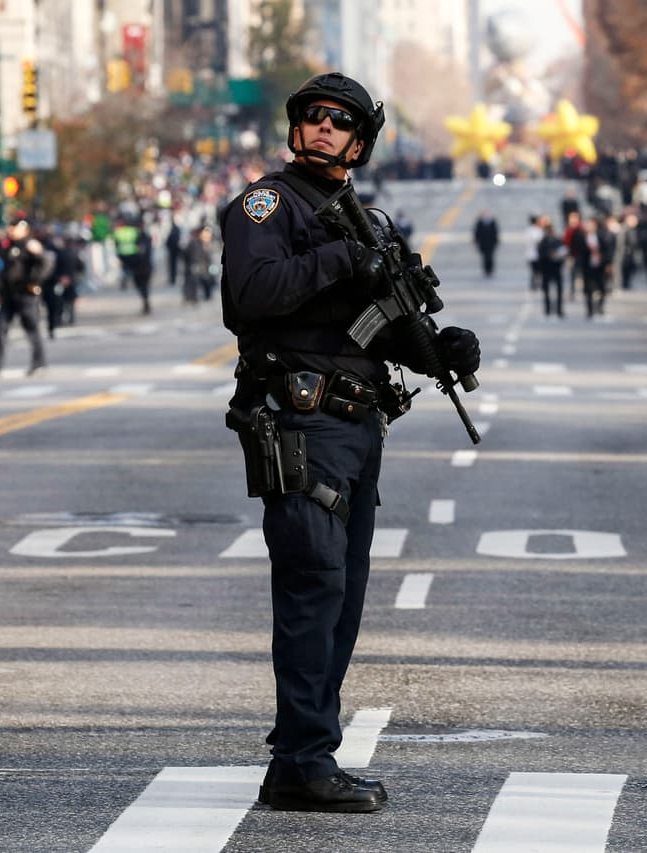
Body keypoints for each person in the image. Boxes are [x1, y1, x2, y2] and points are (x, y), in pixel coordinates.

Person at [220, 72, 481, 814]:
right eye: (314, 117)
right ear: (296, 128)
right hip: (300, 421)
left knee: (343, 594)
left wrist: (441, 349)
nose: (326, 128)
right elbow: (254, 293)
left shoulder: (368, 220)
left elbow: (389, 323)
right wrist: (343, 260)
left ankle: (307, 750)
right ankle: (302, 759)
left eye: (341, 121)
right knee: (312, 583)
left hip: (359, 427)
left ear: (360, 141)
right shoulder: (267, 205)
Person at [0, 218, 50, 376]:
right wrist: (0, 291)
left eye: (15, 227)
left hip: (25, 294)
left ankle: (39, 363)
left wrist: (35, 282)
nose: (11, 230)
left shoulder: (30, 245)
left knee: (31, 329)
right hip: (9, 295)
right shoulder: (8, 245)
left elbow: (46, 263)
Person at [536, 217, 566, 318]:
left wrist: (558, 257)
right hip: (546, 268)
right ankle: (548, 309)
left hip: (556, 268)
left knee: (559, 290)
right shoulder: (542, 242)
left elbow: (563, 252)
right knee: (546, 291)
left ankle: (559, 309)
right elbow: (540, 256)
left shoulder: (558, 241)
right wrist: (549, 255)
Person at [472, 209, 499, 277]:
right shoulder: (480, 222)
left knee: (490, 256)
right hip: (483, 243)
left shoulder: (492, 222)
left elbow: (495, 232)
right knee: (484, 257)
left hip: (491, 243)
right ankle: (486, 269)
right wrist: (476, 240)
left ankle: (490, 269)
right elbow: (477, 232)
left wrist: (496, 241)